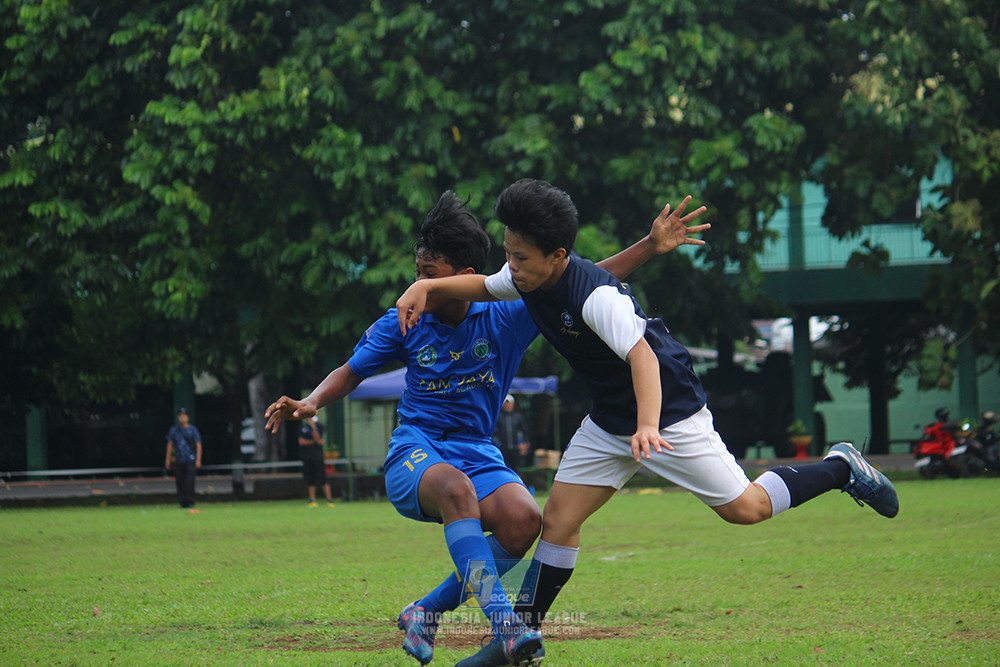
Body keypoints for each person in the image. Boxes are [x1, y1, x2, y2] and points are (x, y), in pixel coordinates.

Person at [396, 178, 900, 667]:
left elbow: (644, 358)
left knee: (747, 508)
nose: (511, 266)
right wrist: (427, 286)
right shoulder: (524, 276)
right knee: (559, 522)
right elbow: (482, 285)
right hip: (610, 418)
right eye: (508, 252)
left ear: (558, 256)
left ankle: (841, 466)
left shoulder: (595, 296)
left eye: (520, 257)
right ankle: (516, 636)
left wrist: (648, 424)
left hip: (668, 411)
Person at [266, 189, 708, 666]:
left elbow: (583, 283)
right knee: (457, 491)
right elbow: (352, 371)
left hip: (478, 450)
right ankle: (508, 627)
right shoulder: (404, 319)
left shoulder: (509, 312)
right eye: (418, 274)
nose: (421, 286)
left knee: (524, 521)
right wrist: (311, 401)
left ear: (467, 278)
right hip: (416, 451)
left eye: (430, 277)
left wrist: (649, 244)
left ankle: (425, 612)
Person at [165, 407, 202, 513]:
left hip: (190, 459)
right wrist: (168, 459)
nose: (182, 418)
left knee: (189, 481)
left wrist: (198, 459)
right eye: (180, 416)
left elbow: (198, 445)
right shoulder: (174, 430)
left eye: (183, 416)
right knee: (179, 482)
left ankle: (190, 501)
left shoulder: (193, 430)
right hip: (179, 459)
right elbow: (170, 444)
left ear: (187, 417)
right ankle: (182, 502)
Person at [299, 416, 335, 506]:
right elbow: (301, 442)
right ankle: (312, 500)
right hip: (307, 457)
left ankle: (329, 499)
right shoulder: (303, 428)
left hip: (318, 457)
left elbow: (318, 439)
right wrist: (312, 442)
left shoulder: (320, 426)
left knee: (323, 478)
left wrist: (313, 427)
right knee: (310, 479)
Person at [494, 394, 531, 472]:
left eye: (509, 403)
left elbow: (525, 431)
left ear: (513, 404)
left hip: (515, 448)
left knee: (517, 469)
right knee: (503, 468)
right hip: (503, 448)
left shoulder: (517, 417)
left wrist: (524, 443)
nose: (508, 406)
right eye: (506, 404)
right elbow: (494, 433)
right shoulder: (499, 417)